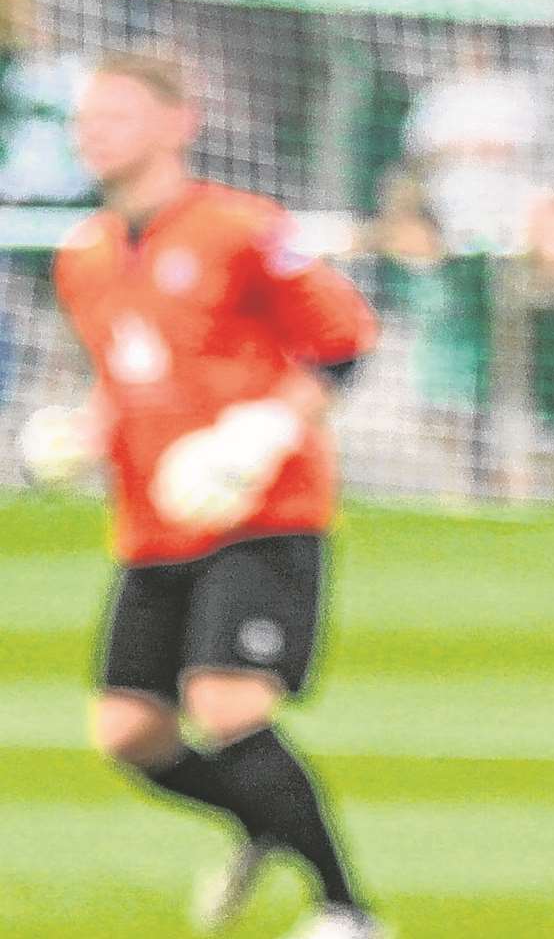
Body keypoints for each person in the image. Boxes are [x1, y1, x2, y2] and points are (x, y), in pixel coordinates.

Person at [18, 51, 387, 939]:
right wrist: (79, 433)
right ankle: (266, 823)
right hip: (151, 525)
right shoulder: (86, 256)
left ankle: (348, 912)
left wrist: (261, 431)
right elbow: (130, 378)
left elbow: (341, 342)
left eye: (116, 112)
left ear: (177, 122)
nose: (92, 129)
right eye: (85, 117)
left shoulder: (241, 227)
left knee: (227, 706)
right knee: (128, 732)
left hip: (258, 515)